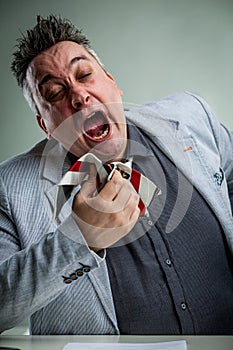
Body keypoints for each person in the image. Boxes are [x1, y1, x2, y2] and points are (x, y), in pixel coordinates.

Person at [0, 14, 232, 335]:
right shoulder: (9, 189)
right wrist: (78, 239)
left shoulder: (193, 117)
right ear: (45, 126)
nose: (78, 95)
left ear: (112, 82)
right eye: (55, 93)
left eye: (84, 74)